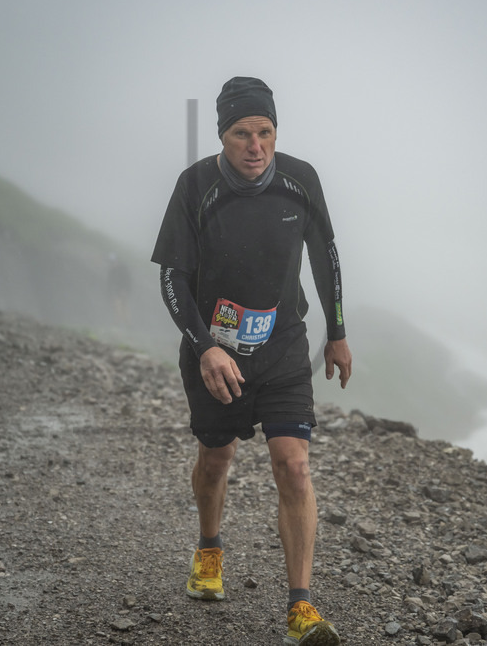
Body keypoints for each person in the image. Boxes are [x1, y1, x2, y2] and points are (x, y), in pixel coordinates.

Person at [151, 77, 352, 646]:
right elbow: (172, 278)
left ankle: (300, 608)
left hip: (283, 344)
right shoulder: (195, 185)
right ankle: (209, 549)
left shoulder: (300, 180)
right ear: (223, 135)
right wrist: (205, 346)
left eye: (265, 131)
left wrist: (337, 333)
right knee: (216, 459)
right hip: (215, 351)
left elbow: (326, 257)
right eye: (242, 133)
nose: (255, 145)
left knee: (294, 465)